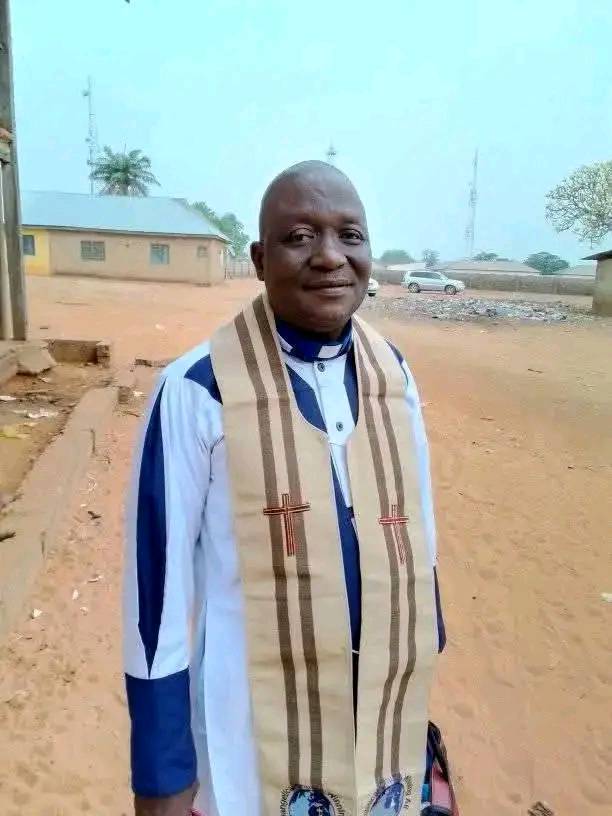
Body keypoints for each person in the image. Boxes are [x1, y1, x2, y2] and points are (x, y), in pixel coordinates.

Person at [123, 161, 455, 816]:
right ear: (259, 259)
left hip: (377, 719)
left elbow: (418, 529)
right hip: (249, 736)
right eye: (300, 237)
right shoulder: (196, 389)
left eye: (349, 235)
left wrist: (420, 652)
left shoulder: (392, 376)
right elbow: (155, 600)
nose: (330, 257)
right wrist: (162, 774)